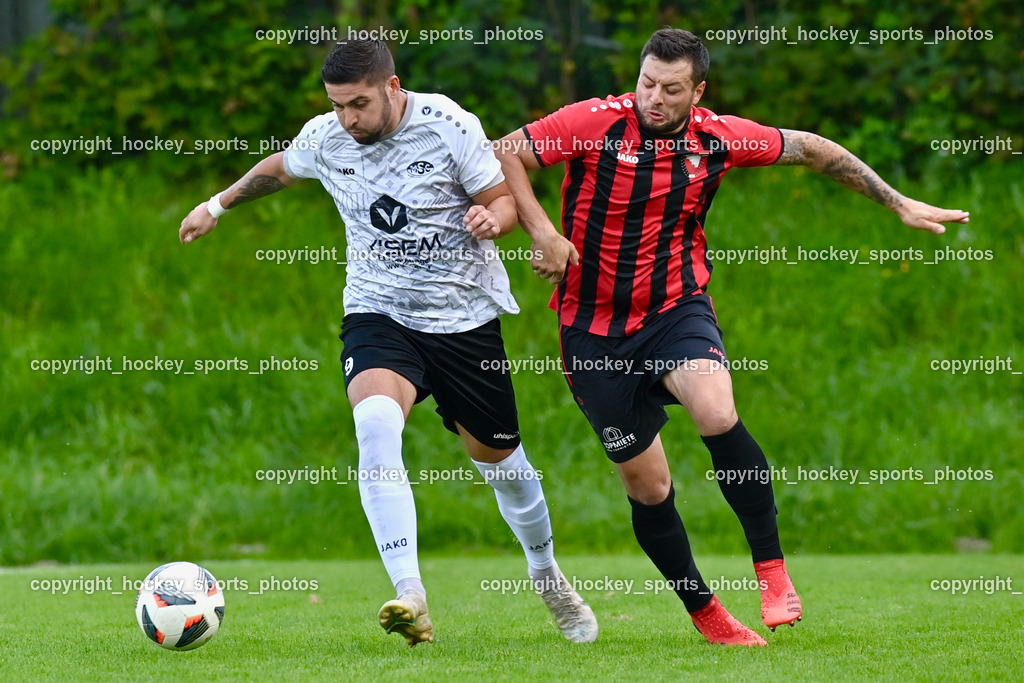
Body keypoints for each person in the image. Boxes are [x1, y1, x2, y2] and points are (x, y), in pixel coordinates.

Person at [496, 27, 969, 646]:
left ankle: (772, 574)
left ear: (698, 91)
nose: (654, 98)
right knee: (650, 484)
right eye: (646, 83)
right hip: (593, 330)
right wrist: (543, 233)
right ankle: (707, 614)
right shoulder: (594, 121)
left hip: (675, 308)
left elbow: (814, 150)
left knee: (717, 410)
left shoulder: (716, 137)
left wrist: (897, 202)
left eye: (671, 89)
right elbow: (506, 148)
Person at [178, 39, 597, 647]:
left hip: (462, 320)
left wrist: (493, 221)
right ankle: (411, 593)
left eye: (360, 103)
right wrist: (216, 204)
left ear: (393, 88)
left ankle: (546, 573)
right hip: (378, 313)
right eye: (338, 105)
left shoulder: (449, 125)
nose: (349, 118)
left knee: (501, 462)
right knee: (375, 422)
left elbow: (501, 198)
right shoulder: (326, 136)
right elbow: (279, 168)